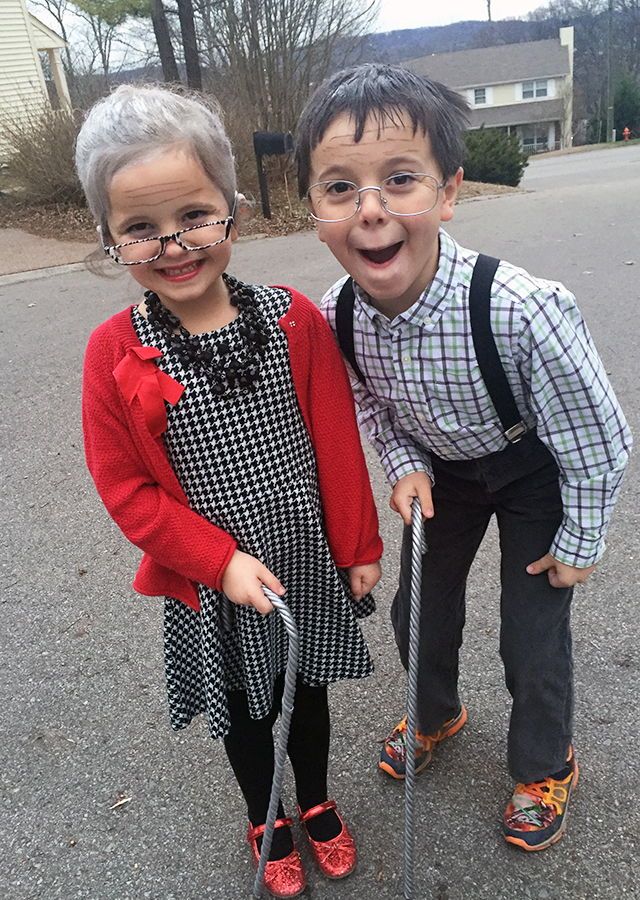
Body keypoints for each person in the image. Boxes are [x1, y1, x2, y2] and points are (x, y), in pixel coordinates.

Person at [295, 63, 632, 852]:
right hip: (440, 471)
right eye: (339, 188)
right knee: (421, 608)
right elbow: (368, 403)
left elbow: (597, 436)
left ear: (447, 193)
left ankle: (546, 762)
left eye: (399, 179)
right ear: (314, 210)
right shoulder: (336, 314)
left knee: (531, 631)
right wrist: (401, 458)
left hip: (530, 468)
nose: (371, 209)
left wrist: (580, 539)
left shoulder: (519, 309)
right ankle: (437, 709)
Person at [77, 84, 383, 898]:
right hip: (215, 578)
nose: (173, 244)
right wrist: (218, 562)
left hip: (300, 555)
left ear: (232, 210)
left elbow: (336, 443)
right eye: (141, 228)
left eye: (194, 215)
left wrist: (356, 546)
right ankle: (268, 815)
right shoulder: (113, 351)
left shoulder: (291, 320)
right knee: (246, 711)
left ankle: (314, 799)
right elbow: (126, 489)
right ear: (108, 237)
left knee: (306, 692)